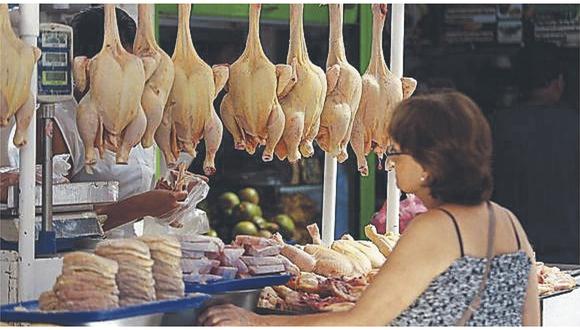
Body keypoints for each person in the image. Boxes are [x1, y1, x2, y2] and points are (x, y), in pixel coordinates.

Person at [199, 92, 540, 326]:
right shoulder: (506, 221)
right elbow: (530, 317)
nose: (388, 162)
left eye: (395, 151)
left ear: (428, 163)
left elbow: (361, 322)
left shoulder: (437, 227)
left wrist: (255, 322)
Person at [3, 6, 195, 237]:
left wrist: (164, 199)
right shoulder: (57, 121)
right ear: (88, 64)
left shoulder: (139, 115)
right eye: (116, 67)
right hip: (74, 261)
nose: (126, 77)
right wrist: (142, 206)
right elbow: (48, 222)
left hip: (128, 256)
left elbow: (130, 192)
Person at [492, 42, 579, 263]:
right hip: (569, 245)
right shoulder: (573, 125)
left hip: (510, 244)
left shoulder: (496, 125)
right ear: (559, 82)